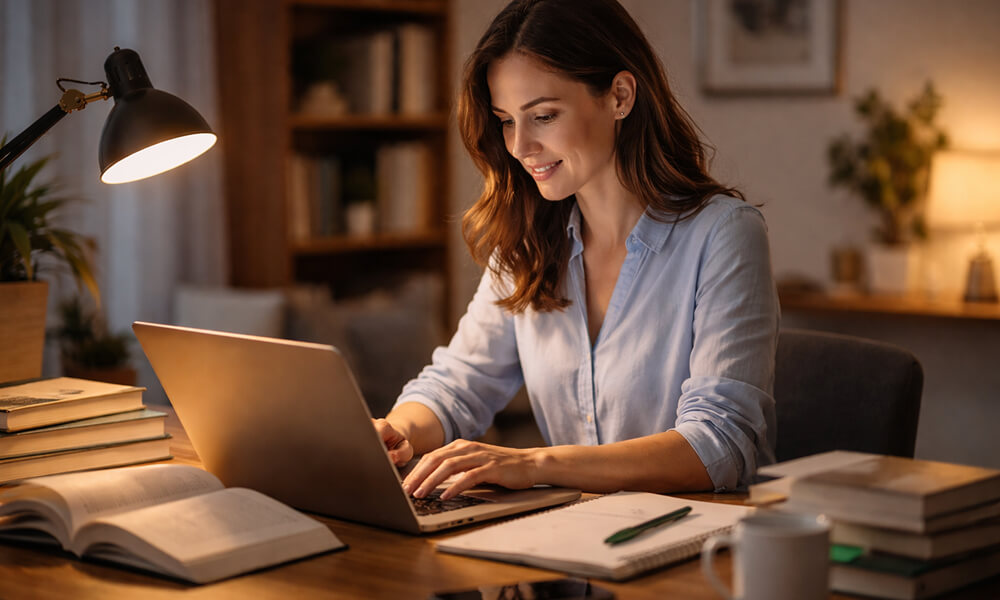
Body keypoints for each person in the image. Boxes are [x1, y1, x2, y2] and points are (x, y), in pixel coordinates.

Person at [374, 0, 779, 501]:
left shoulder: (723, 235)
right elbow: (457, 385)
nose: (520, 146)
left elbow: (718, 444)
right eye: (506, 119)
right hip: (570, 554)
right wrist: (398, 432)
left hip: (699, 552)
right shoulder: (525, 241)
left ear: (620, 96)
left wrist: (533, 464)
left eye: (543, 115)